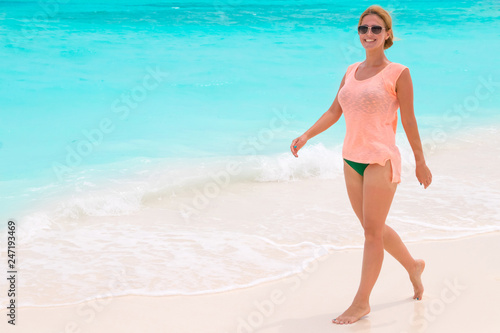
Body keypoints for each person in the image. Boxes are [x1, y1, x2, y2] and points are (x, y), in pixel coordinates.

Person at [290, 5, 432, 325]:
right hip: (351, 158)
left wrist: (421, 163)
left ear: (387, 35)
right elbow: (334, 111)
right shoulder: (351, 71)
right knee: (374, 229)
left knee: (371, 233)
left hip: (381, 159)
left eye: (376, 29)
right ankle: (413, 266)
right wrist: (306, 135)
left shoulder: (398, 73)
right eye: (363, 29)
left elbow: (409, 121)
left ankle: (361, 303)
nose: (369, 34)